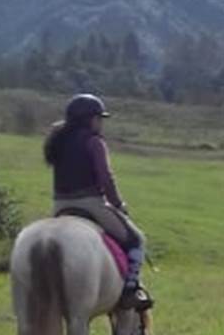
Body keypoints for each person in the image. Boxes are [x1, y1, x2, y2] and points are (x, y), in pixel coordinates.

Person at [43, 93, 152, 310]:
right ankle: (131, 289)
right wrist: (119, 204)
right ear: (88, 119)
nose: (101, 123)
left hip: (60, 206)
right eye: (98, 118)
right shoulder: (94, 142)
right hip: (91, 203)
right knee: (137, 240)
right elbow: (106, 178)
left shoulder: (58, 141)